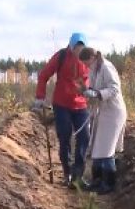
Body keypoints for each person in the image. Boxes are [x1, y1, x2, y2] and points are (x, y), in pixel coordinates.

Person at [33, 32, 91, 188]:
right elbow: (44, 75)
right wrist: (40, 97)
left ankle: (78, 174)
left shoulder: (86, 59)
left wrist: (90, 92)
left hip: (80, 104)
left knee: (84, 137)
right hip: (62, 104)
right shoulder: (61, 56)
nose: (79, 50)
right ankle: (68, 173)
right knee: (64, 136)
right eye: (77, 46)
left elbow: (89, 80)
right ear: (71, 46)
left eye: (82, 46)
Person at [80, 48, 126, 194]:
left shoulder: (106, 67)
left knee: (107, 149)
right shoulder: (95, 69)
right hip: (103, 112)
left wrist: (97, 94)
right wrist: (88, 91)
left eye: (86, 63)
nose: (86, 66)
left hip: (113, 112)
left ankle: (109, 183)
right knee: (98, 146)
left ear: (92, 58)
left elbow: (114, 88)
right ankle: (98, 180)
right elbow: (95, 89)